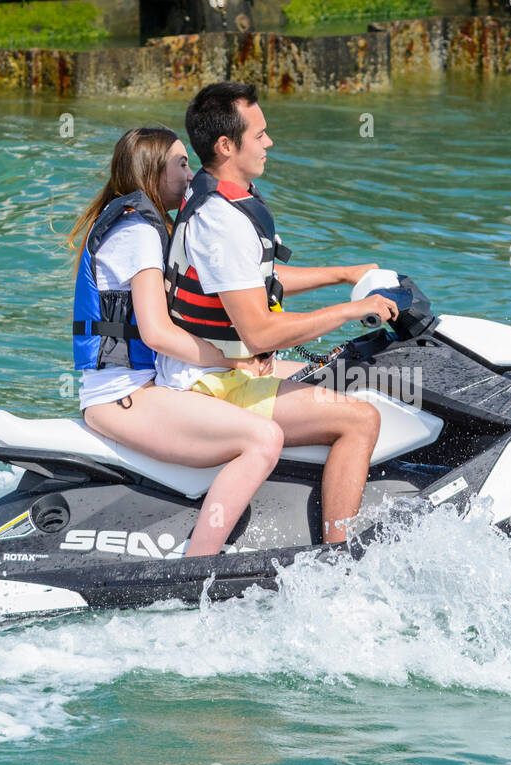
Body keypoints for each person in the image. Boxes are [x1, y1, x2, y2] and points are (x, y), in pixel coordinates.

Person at [157, 82, 400, 545]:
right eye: (260, 134)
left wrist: (343, 274)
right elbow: (259, 329)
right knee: (360, 418)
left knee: (346, 374)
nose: (269, 143)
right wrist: (352, 310)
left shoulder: (220, 197)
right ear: (227, 146)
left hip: (226, 371)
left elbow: (253, 285)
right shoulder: (222, 221)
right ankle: (338, 556)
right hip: (210, 385)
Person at [68, 126, 282, 557]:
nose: (190, 175)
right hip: (123, 398)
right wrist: (230, 361)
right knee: (263, 439)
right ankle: (196, 565)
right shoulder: (138, 232)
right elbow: (157, 333)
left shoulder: (142, 222)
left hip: (144, 389)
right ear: (152, 171)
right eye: (180, 164)